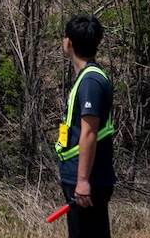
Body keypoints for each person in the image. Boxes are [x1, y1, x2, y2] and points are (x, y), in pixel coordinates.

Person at [56, 15, 116, 238]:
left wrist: (82, 181)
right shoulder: (86, 78)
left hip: (89, 180)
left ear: (68, 42)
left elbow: (89, 132)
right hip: (81, 176)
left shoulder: (91, 81)